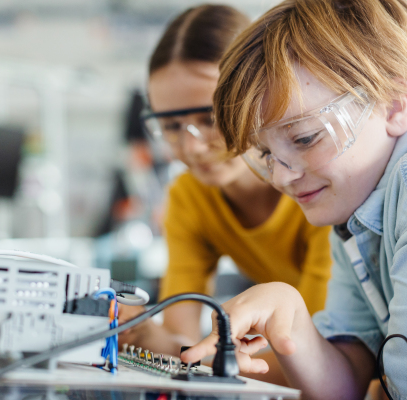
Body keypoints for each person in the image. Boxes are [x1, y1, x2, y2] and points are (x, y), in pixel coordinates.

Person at [181, 0, 407, 399]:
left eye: (304, 138)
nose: (282, 177)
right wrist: (290, 311)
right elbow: (346, 383)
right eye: (266, 155)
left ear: (393, 104)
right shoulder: (358, 206)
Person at [119, 4, 333, 383]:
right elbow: (183, 335)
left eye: (210, 118)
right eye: (170, 126)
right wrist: (148, 336)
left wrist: (197, 360)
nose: (192, 147)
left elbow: (318, 359)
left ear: (258, 96)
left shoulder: (317, 184)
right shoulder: (190, 195)